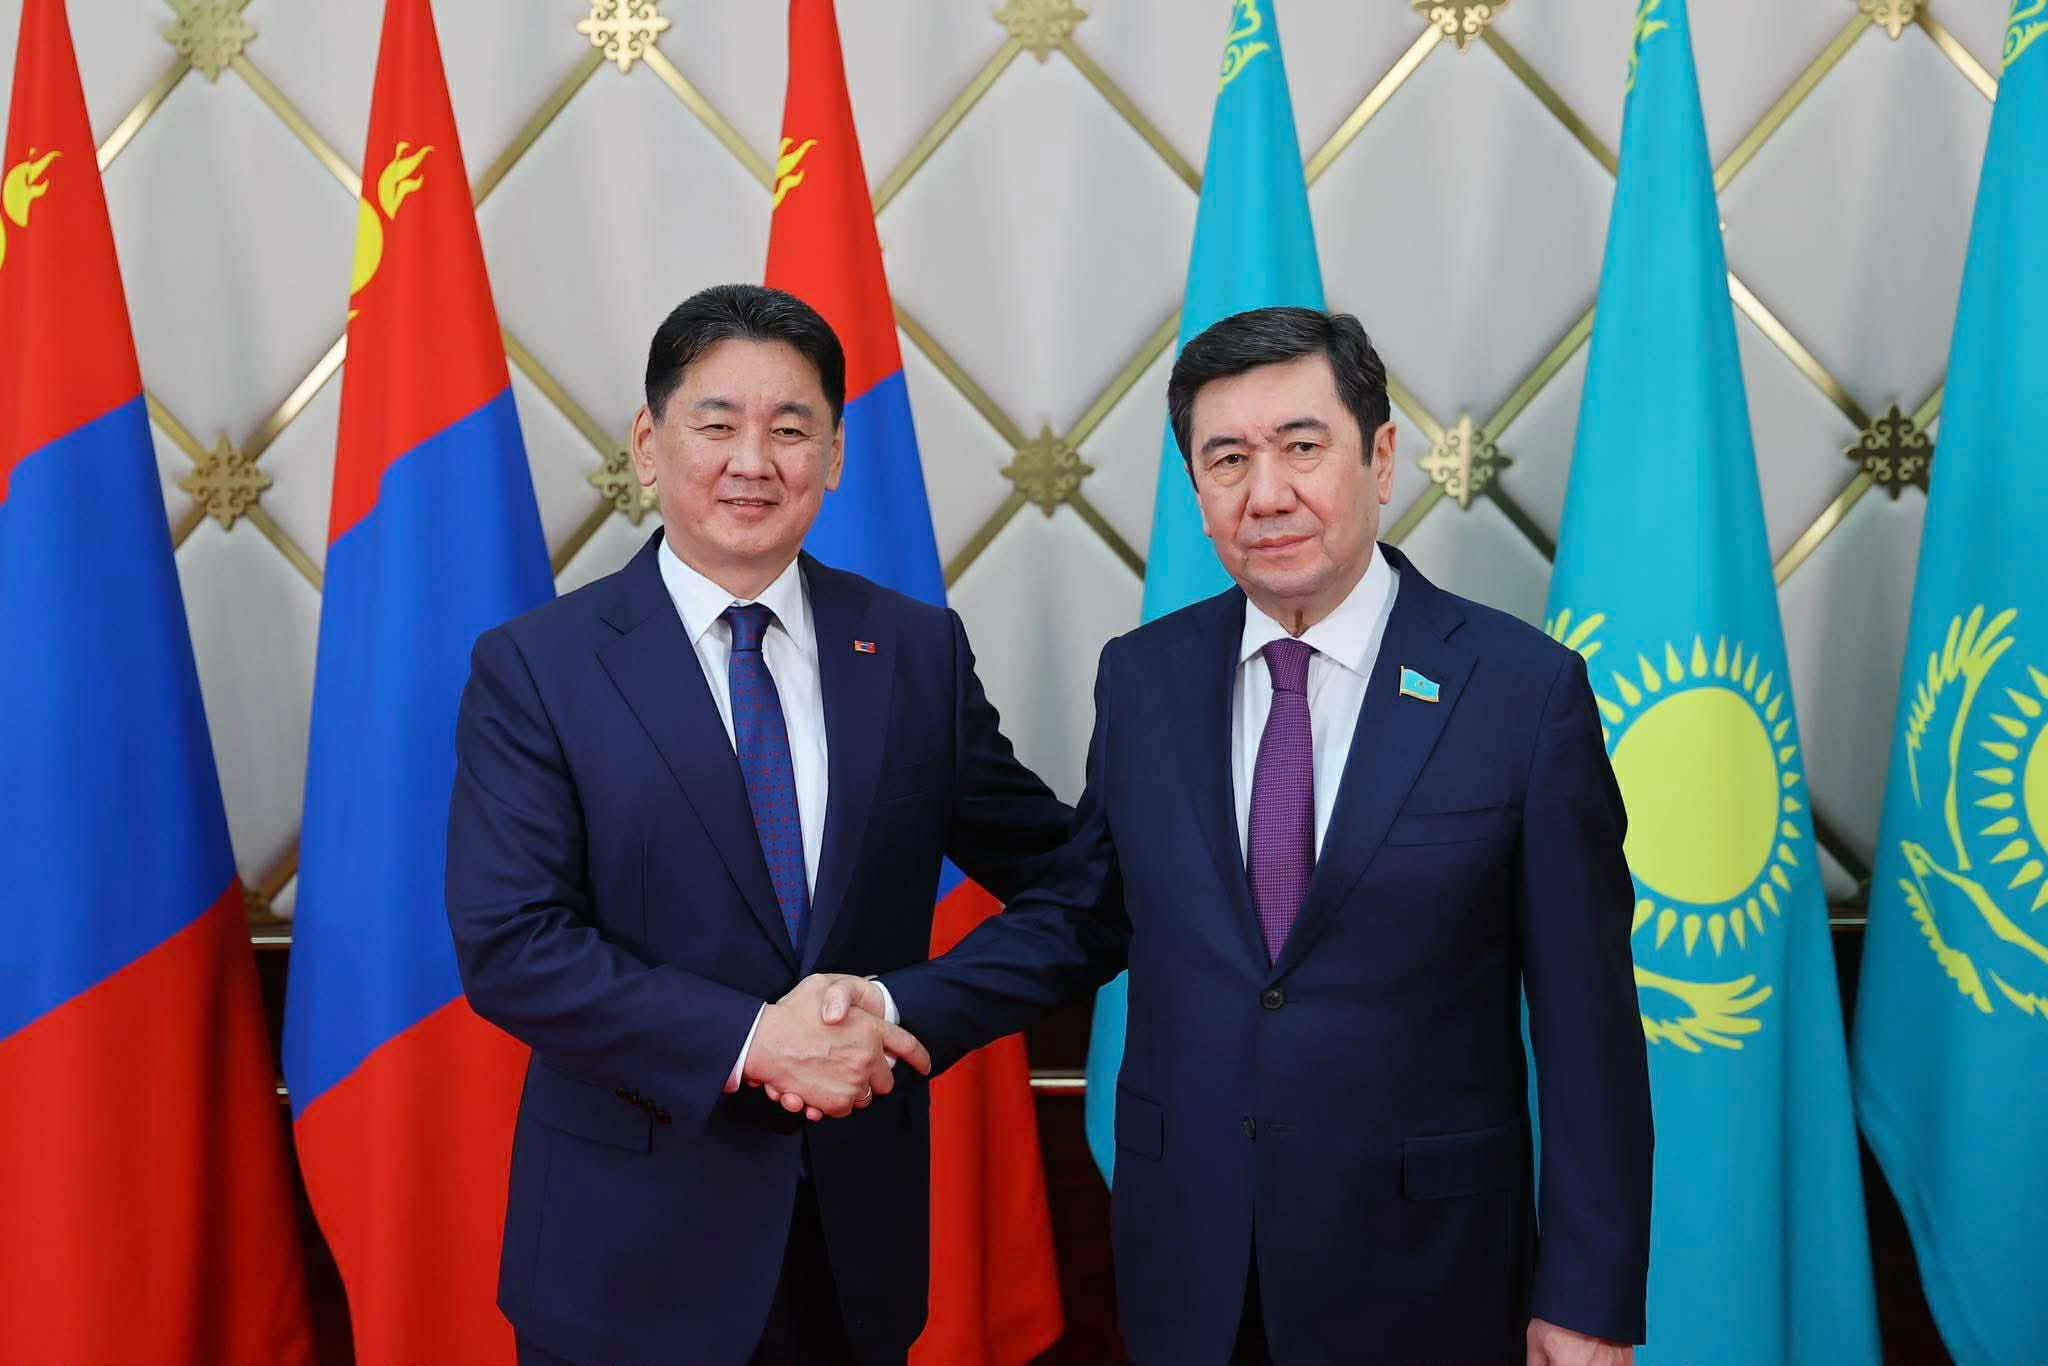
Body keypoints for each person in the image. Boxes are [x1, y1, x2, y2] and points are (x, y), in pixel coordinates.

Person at [800, 306, 1654, 1364]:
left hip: (1428, 1269)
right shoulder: (1145, 677)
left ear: (1381, 457)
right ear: (1197, 490)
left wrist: (1587, 1299)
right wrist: (893, 1007)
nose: (1267, 492)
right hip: (1192, 1265)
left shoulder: (1520, 693)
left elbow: (1588, 1027)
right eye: (1227, 459)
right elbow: (1085, 913)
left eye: (1302, 447)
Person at [445, 284, 1073, 1366]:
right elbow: (512, 946)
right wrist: (749, 1040)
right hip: (622, 1262)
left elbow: (1069, 882)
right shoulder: (538, 668)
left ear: (834, 455)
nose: (753, 461)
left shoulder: (914, 652)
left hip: (852, 1248)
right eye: (716, 424)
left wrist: (902, 1010)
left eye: (790, 429)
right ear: (649, 445)